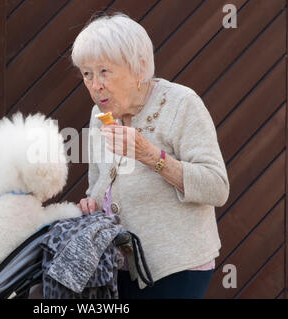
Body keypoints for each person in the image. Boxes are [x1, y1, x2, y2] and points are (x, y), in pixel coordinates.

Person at [72, 13, 230, 299]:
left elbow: (217, 187)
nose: (95, 85)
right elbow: (97, 183)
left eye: (105, 71)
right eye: (87, 74)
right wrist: (93, 204)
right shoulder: (99, 115)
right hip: (118, 267)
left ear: (139, 68)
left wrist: (149, 155)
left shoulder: (182, 105)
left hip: (176, 267)